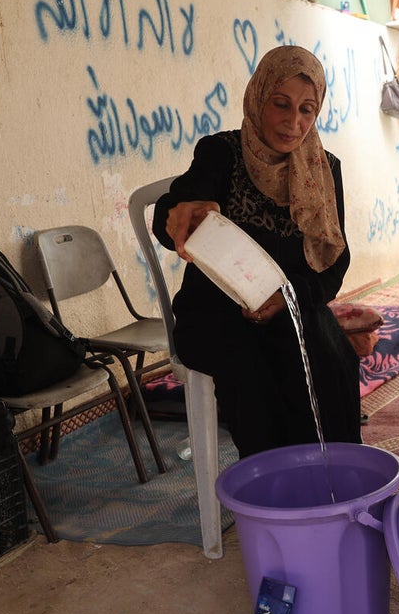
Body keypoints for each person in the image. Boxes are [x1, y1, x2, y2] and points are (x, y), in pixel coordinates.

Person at [151, 45, 361, 458]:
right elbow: (173, 213)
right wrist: (182, 214)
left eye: (307, 110)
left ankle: (334, 475)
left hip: (290, 305)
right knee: (251, 372)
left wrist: (286, 298)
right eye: (281, 104)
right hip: (216, 312)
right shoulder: (220, 154)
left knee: (329, 357)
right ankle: (273, 488)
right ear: (257, 97)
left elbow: (334, 267)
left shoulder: (325, 169)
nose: (293, 121)